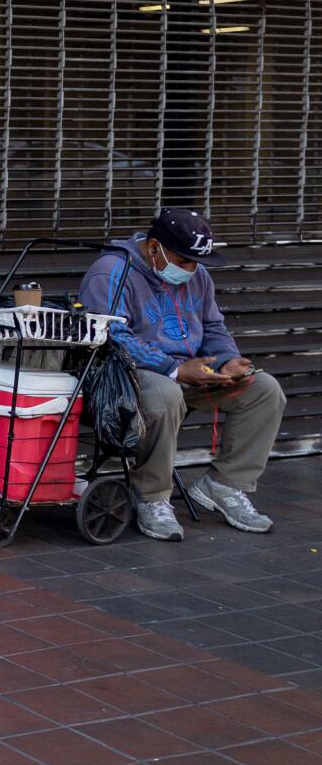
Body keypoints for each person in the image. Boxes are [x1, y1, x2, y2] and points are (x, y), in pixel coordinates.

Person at [79, 209, 283, 541]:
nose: (190, 270)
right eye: (184, 261)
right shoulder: (111, 272)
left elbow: (214, 326)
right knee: (165, 393)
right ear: (155, 246)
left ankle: (224, 485)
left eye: (196, 262)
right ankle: (152, 497)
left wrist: (228, 360)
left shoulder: (197, 275)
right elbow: (110, 337)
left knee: (264, 389)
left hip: (190, 373)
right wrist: (173, 369)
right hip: (126, 377)